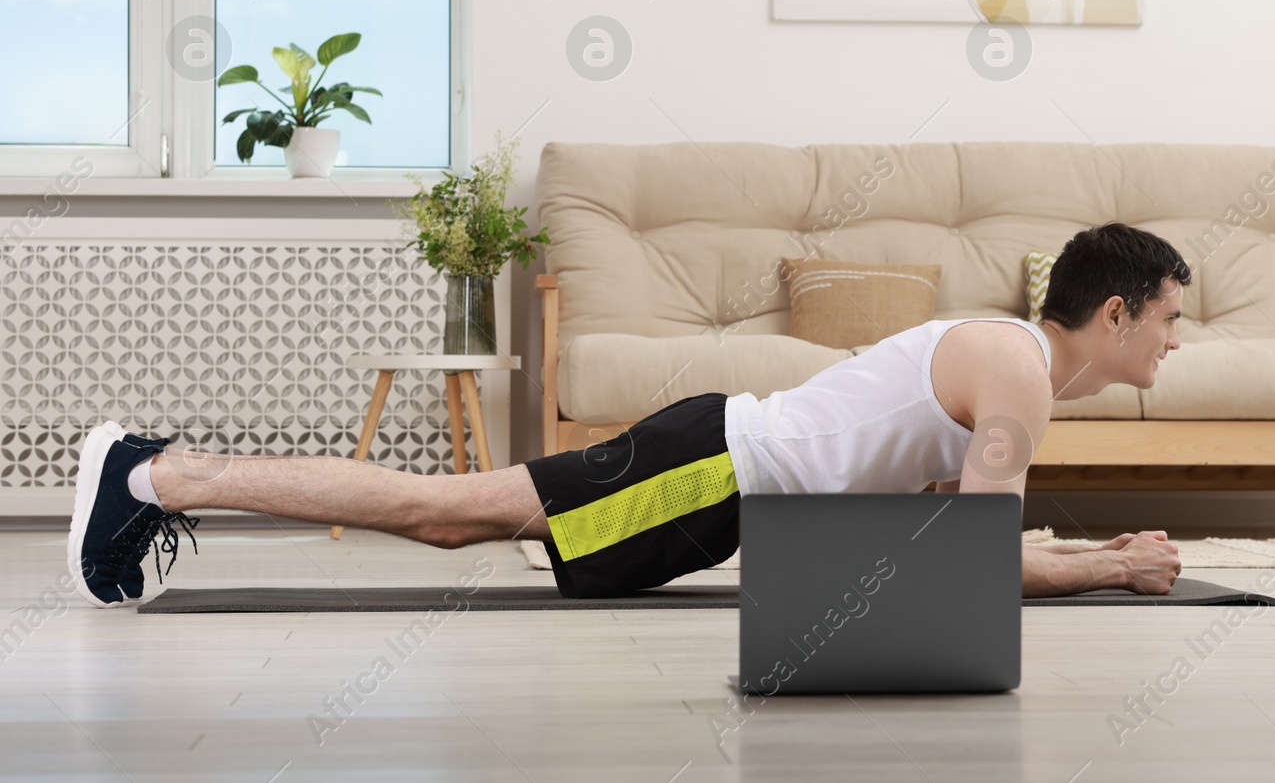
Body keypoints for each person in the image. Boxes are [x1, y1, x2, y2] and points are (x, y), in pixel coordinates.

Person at [69, 222, 1189, 607]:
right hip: (711, 473)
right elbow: (974, 556)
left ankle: (160, 471)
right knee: (444, 511)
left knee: (450, 513)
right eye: (1169, 318)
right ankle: (155, 472)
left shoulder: (1007, 358)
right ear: (1114, 308)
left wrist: (1095, 554)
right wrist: (1107, 565)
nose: (1176, 341)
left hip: (715, 469)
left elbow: (948, 530)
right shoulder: (1018, 370)